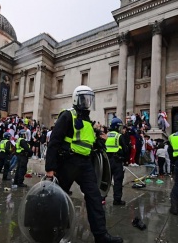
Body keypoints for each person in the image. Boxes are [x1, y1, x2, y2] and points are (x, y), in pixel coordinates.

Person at [45, 85, 123, 243]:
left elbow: (88, 143)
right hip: (67, 163)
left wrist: (98, 143)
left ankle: (101, 236)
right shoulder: (67, 115)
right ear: (76, 99)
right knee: (59, 200)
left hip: (85, 165)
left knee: (95, 198)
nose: (87, 102)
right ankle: (52, 233)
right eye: (84, 99)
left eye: (89, 99)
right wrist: (50, 169)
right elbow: (54, 142)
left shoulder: (88, 122)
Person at [104, 117, 128, 206]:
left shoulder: (106, 135)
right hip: (117, 161)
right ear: (117, 127)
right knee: (117, 181)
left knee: (106, 180)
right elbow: (125, 150)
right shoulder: (119, 136)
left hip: (107, 161)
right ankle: (117, 200)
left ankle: (102, 198)